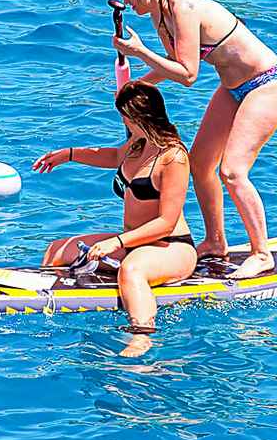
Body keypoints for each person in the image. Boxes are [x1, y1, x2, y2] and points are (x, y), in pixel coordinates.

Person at [108, 0, 277, 280]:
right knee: (200, 163)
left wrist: (139, 52)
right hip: (232, 88)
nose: (127, 2)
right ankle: (216, 241)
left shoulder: (183, 8)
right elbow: (172, 61)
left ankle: (261, 253)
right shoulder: (159, 16)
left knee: (232, 171)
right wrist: (135, 87)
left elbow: (188, 75)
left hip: (266, 84)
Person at [33, 80, 196, 357]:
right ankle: (46, 303)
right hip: (132, 243)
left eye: (124, 115)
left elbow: (166, 222)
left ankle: (142, 336)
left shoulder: (174, 158)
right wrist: (69, 155)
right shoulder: (137, 142)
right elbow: (112, 156)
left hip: (171, 246)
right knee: (57, 250)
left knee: (132, 270)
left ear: (138, 117)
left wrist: (116, 242)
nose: (122, 121)